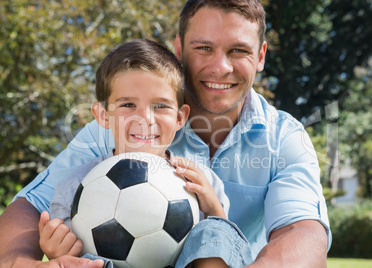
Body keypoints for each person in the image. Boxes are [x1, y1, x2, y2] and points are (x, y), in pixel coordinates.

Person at [0, 0, 331, 267]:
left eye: (238, 51)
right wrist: (24, 263)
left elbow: (303, 232)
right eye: (203, 48)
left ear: (260, 56)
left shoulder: (285, 137)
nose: (220, 67)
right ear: (179, 49)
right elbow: (32, 206)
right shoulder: (117, 129)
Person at [38, 38, 233, 267]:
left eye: (160, 106)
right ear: (102, 115)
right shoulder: (74, 188)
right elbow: (68, 257)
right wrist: (57, 254)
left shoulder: (201, 182)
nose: (145, 119)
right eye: (128, 105)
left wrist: (215, 211)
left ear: (180, 117)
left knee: (215, 231)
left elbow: (221, 246)